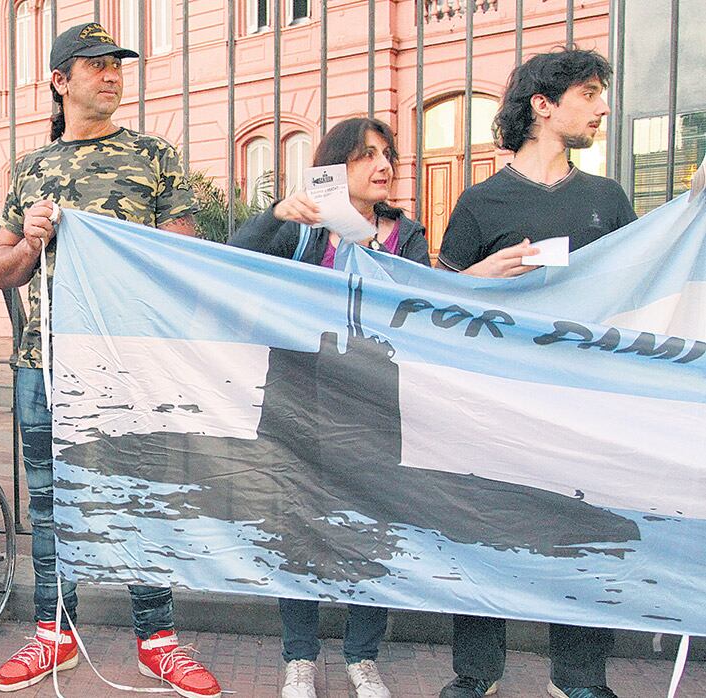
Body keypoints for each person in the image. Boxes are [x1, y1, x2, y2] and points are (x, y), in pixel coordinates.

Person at [0, 23, 220, 698]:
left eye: (115, 65)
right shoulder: (30, 169)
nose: (111, 75)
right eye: (94, 66)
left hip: (132, 361)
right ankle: (52, 636)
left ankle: (157, 642)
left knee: (140, 497)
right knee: (54, 503)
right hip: (46, 361)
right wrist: (29, 242)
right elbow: (1, 271)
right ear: (60, 81)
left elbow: (181, 252)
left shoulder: (153, 154)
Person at [435, 48, 634, 698]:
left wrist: (693, 211)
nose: (602, 107)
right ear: (541, 105)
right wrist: (474, 278)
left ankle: (578, 678)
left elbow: (643, 284)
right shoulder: (478, 203)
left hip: (585, 406)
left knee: (583, 539)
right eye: (588, 94)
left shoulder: (606, 198)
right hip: (492, 407)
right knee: (480, 536)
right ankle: (476, 675)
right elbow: (430, 310)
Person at [229, 116, 429, 698]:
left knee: (371, 526)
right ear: (333, 168)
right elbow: (226, 261)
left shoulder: (405, 237)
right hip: (301, 400)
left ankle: (362, 657)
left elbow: (424, 304)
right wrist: (274, 216)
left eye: (387, 154)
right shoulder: (307, 231)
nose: (383, 165)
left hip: (372, 405)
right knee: (298, 524)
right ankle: (300, 658)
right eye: (366, 155)